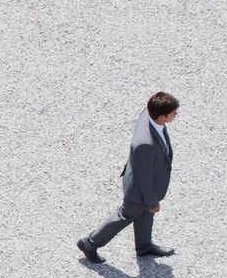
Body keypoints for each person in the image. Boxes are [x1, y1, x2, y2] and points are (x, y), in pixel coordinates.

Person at [77, 92, 180, 263]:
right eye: (173, 113)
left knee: (146, 214)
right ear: (162, 116)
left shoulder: (149, 113)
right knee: (125, 215)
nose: (176, 114)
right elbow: (143, 178)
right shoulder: (145, 144)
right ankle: (90, 243)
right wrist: (152, 201)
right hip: (139, 190)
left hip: (144, 182)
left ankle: (144, 247)